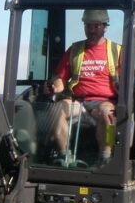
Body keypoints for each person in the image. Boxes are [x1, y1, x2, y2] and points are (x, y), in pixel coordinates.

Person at [51, 9, 121, 165]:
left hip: (105, 101)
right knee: (57, 110)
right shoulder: (75, 50)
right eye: (88, 26)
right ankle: (64, 156)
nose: (91, 30)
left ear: (105, 27)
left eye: (96, 26)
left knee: (108, 114)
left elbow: (124, 81)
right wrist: (55, 86)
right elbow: (60, 77)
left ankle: (106, 156)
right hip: (78, 102)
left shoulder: (117, 51)